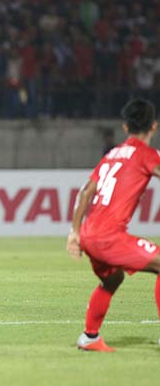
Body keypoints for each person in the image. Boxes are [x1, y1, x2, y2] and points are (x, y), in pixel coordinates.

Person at [67, 98, 160, 352]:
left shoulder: (111, 155)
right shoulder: (146, 154)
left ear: (125, 127)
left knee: (112, 280)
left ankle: (90, 337)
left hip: (88, 234)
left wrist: (74, 233)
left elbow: (85, 191)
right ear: (154, 126)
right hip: (109, 237)